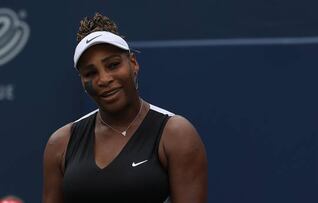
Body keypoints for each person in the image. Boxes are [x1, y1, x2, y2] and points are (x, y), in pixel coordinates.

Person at [42, 13, 208, 203]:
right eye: (91, 73)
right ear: (82, 81)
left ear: (133, 63)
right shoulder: (61, 143)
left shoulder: (176, 134)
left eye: (113, 65)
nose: (104, 79)